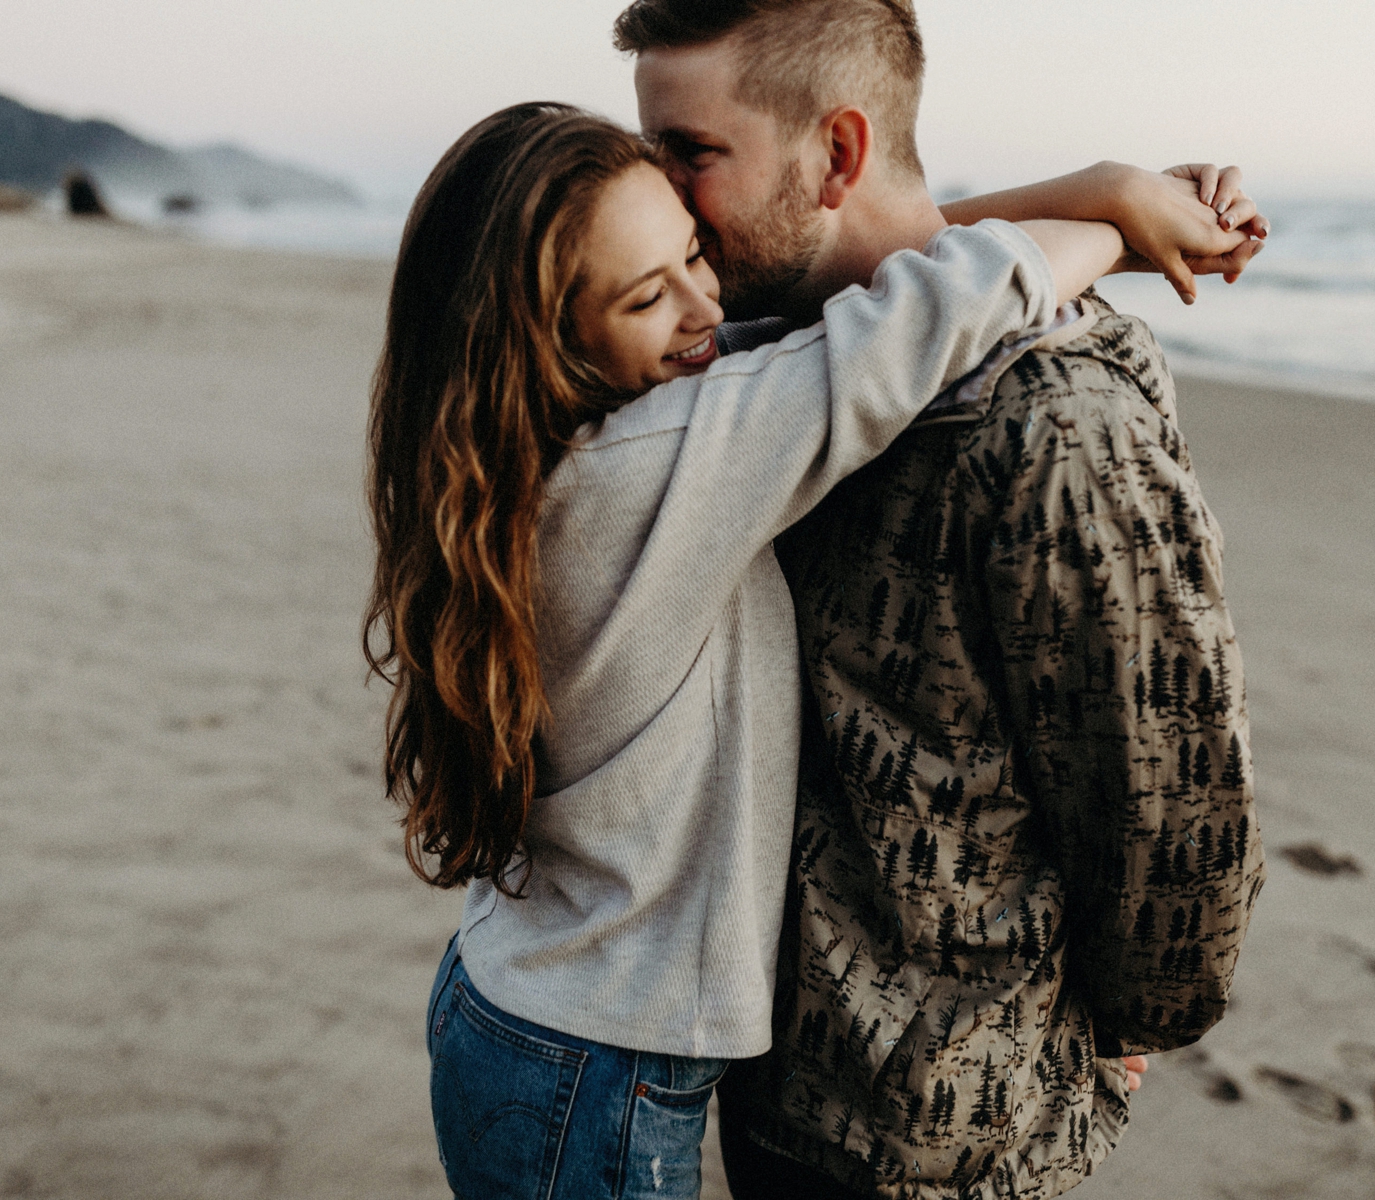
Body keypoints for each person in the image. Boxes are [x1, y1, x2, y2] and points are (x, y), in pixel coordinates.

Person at [365, 99, 1249, 1200]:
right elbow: (929, 305)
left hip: (524, 1008)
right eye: (650, 294)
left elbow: (872, 273)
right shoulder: (651, 466)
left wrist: (1111, 189)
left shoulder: (531, 447)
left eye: (694, 253)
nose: (707, 304)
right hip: (595, 1075)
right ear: (545, 337)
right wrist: (1118, 208)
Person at [611, 0, 1268, 1195]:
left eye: (690, 153)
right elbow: (900, 259)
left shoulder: (1057, 425)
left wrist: (1125, 1040)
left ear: (839, 155)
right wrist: (1107, 194)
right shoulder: (762, 355)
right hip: (764, 1070)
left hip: (945, 1136)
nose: (657, 188)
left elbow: (1171, 804)